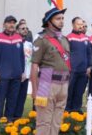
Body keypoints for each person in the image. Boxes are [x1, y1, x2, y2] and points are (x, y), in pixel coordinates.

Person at [31, 7, 71, 135]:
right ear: (49, 21)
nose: (61, 21)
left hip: (64, 83)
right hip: (46, 80)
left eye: (62, 18)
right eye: (58, 19)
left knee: (57, 121)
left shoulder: (65, 39)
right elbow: (34, 66)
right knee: (43, 121)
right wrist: (34, 90)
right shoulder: (41, 40)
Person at [0, 15, 25, 122]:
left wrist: (22, 72)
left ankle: (9, 122)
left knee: (12, 100)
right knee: (0, 100)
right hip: (2, 76)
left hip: (16, 75)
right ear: (4, 24)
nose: (11, 25)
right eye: (9, 22)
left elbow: (22, 57)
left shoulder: (19, 38)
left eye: (13, 23)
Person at [66, 17, 91, 112]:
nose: (81, 26)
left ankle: (76, 108)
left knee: (80, 91)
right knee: (70, 90)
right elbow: (66, 54)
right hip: (72, 70)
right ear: (73, 25)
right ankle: (67, 109)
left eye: (82, 24)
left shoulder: (86, 38)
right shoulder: (69, 37)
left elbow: (89, 53)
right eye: (78, 24)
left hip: (83, 70)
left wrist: (89, 66)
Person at [14, 21, 34, 119]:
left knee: (22, 98)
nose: (25, 30)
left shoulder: (29, 44)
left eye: (27, 28)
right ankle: (10, 117)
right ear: (17, 30)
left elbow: (31, 59)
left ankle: (18, 117)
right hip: (16, 75)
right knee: (14, 97)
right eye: (23, 28)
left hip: (26, 75)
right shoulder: (14, 43)